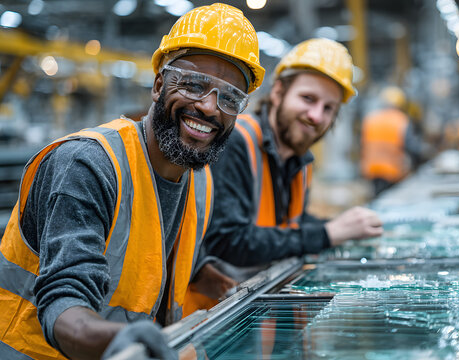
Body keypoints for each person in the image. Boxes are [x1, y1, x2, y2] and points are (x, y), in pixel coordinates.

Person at [0, 3, 264, 360]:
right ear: (159, 84)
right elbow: (63, 298)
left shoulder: (199, 182)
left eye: (230, 97)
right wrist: (118, 340)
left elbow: (158, 252)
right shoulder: (88, 164)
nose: (208, 107)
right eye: (193, 84)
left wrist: (225, 285)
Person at [183, 38, 384, 313]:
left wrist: (345, 228)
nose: (316, 116)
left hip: (259, 310)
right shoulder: (236, 140)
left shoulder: (299, 160)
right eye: (308, 99)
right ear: (278, 92)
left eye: (329, 109)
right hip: (214, 320)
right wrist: (327, 234)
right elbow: (226, 240)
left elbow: (288, 223)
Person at [360, 86, 424, 196]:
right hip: (392, 170)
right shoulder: (401, 120)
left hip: (372, 168)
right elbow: (411, 146)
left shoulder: (371, 118)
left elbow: (362, 144)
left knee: (377, 198)